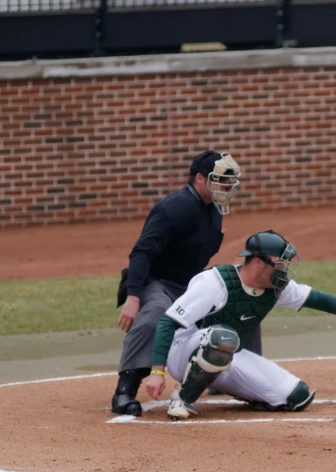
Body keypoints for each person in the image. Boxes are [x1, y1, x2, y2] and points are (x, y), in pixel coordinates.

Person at [144, 229, 336, 420]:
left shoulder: (276, 287)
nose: (284, 270)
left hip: (226, 355)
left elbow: (318, 299)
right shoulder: (214, 282)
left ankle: (235, 388)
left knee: (296, 397)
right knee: (223, 337)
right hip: (183, 352)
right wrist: (157, 372)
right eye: (280, 263)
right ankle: (182, 397)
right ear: (259, 262)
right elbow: (167, 322)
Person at [111, 150, 263, 417]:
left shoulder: (213, 208)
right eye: (221, 180)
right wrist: (133, 297)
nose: (227, 187)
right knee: (155, 315)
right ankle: (125, 391)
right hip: (157, 281)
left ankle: (240, 379)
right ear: (200, 179)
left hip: (190, 282)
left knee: (241, 303)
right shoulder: (174, 208)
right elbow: (141, 253)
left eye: (229, 181)